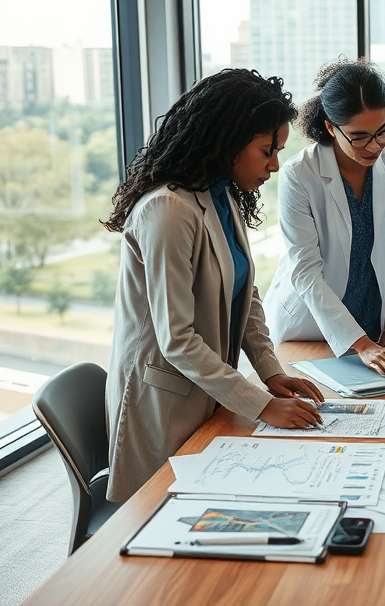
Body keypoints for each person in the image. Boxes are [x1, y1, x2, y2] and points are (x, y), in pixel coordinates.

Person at [103, 69, 325, 503]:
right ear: (228, 140)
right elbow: (178, 340)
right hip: (165, 405)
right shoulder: (167, 210)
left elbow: (246, 295)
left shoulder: (219, 192)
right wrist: (261, 404)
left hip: (208, 393)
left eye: (278, 150)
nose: (275, 165)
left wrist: (271, 371)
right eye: (267, 150)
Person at [263, 58, 385, 378]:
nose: (374, 146)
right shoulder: (299, 175)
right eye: (359, 136)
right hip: (311, 330)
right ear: (331, 127)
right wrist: (360, 344)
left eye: (382, 131)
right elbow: (305, 271)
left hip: (373, 325)